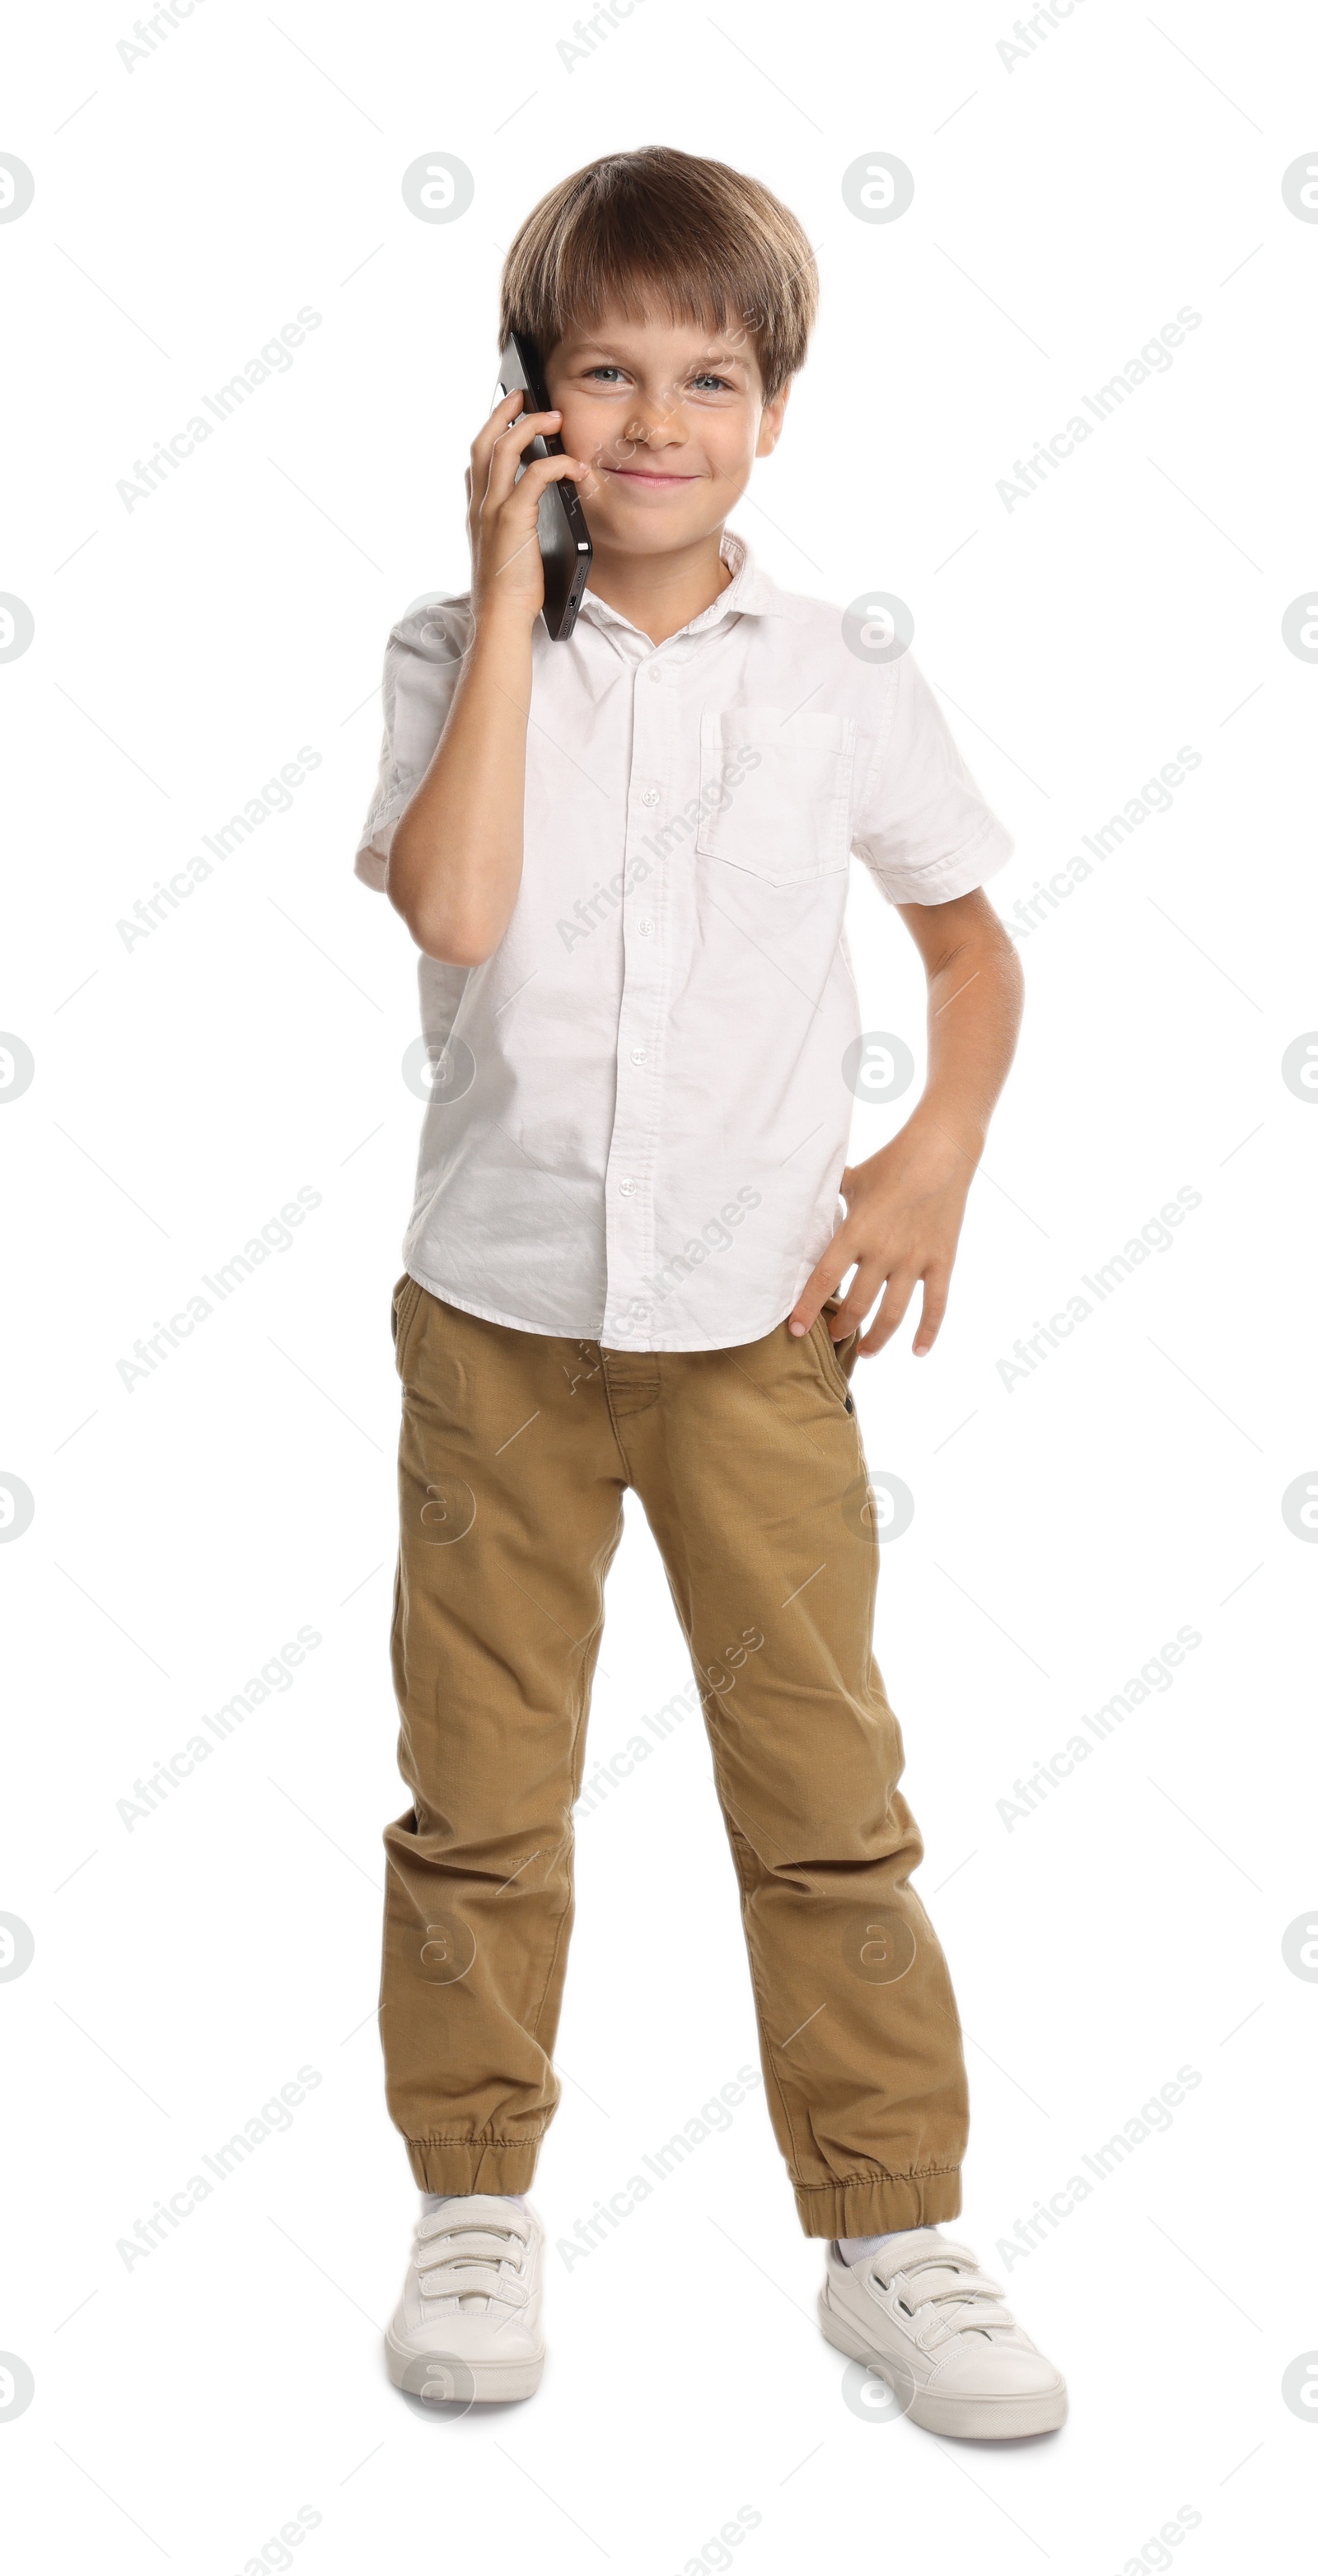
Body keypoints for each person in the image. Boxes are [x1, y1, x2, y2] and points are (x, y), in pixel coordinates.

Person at [353, 145, 1065, 2439]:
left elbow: (969, 941)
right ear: (527, 402)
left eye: (711, 378)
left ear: (772, 407)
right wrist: (498, 571)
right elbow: (455, 914)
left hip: (757, 1334)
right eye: (605, 376)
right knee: (481, 1790)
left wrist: (931, 1153)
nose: (658, 421)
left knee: (824, 1788)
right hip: (498, 1323)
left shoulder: (838, 670)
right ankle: (475, 2194)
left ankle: (893, 2229)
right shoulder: (450, 651)